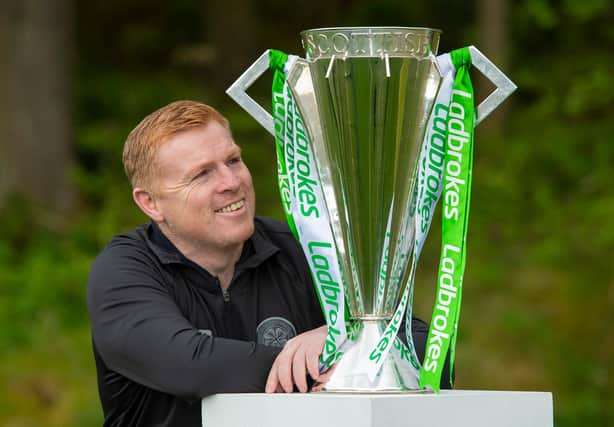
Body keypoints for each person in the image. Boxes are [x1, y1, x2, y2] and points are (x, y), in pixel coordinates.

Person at [87, 100, 451, 427]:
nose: (231, 182)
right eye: (202, 174)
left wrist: (342, 338)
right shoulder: (124, 271)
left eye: (232, 160)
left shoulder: (302, 248)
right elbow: (188, 364)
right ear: (150, 203)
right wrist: (345, 363)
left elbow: (431, 348)